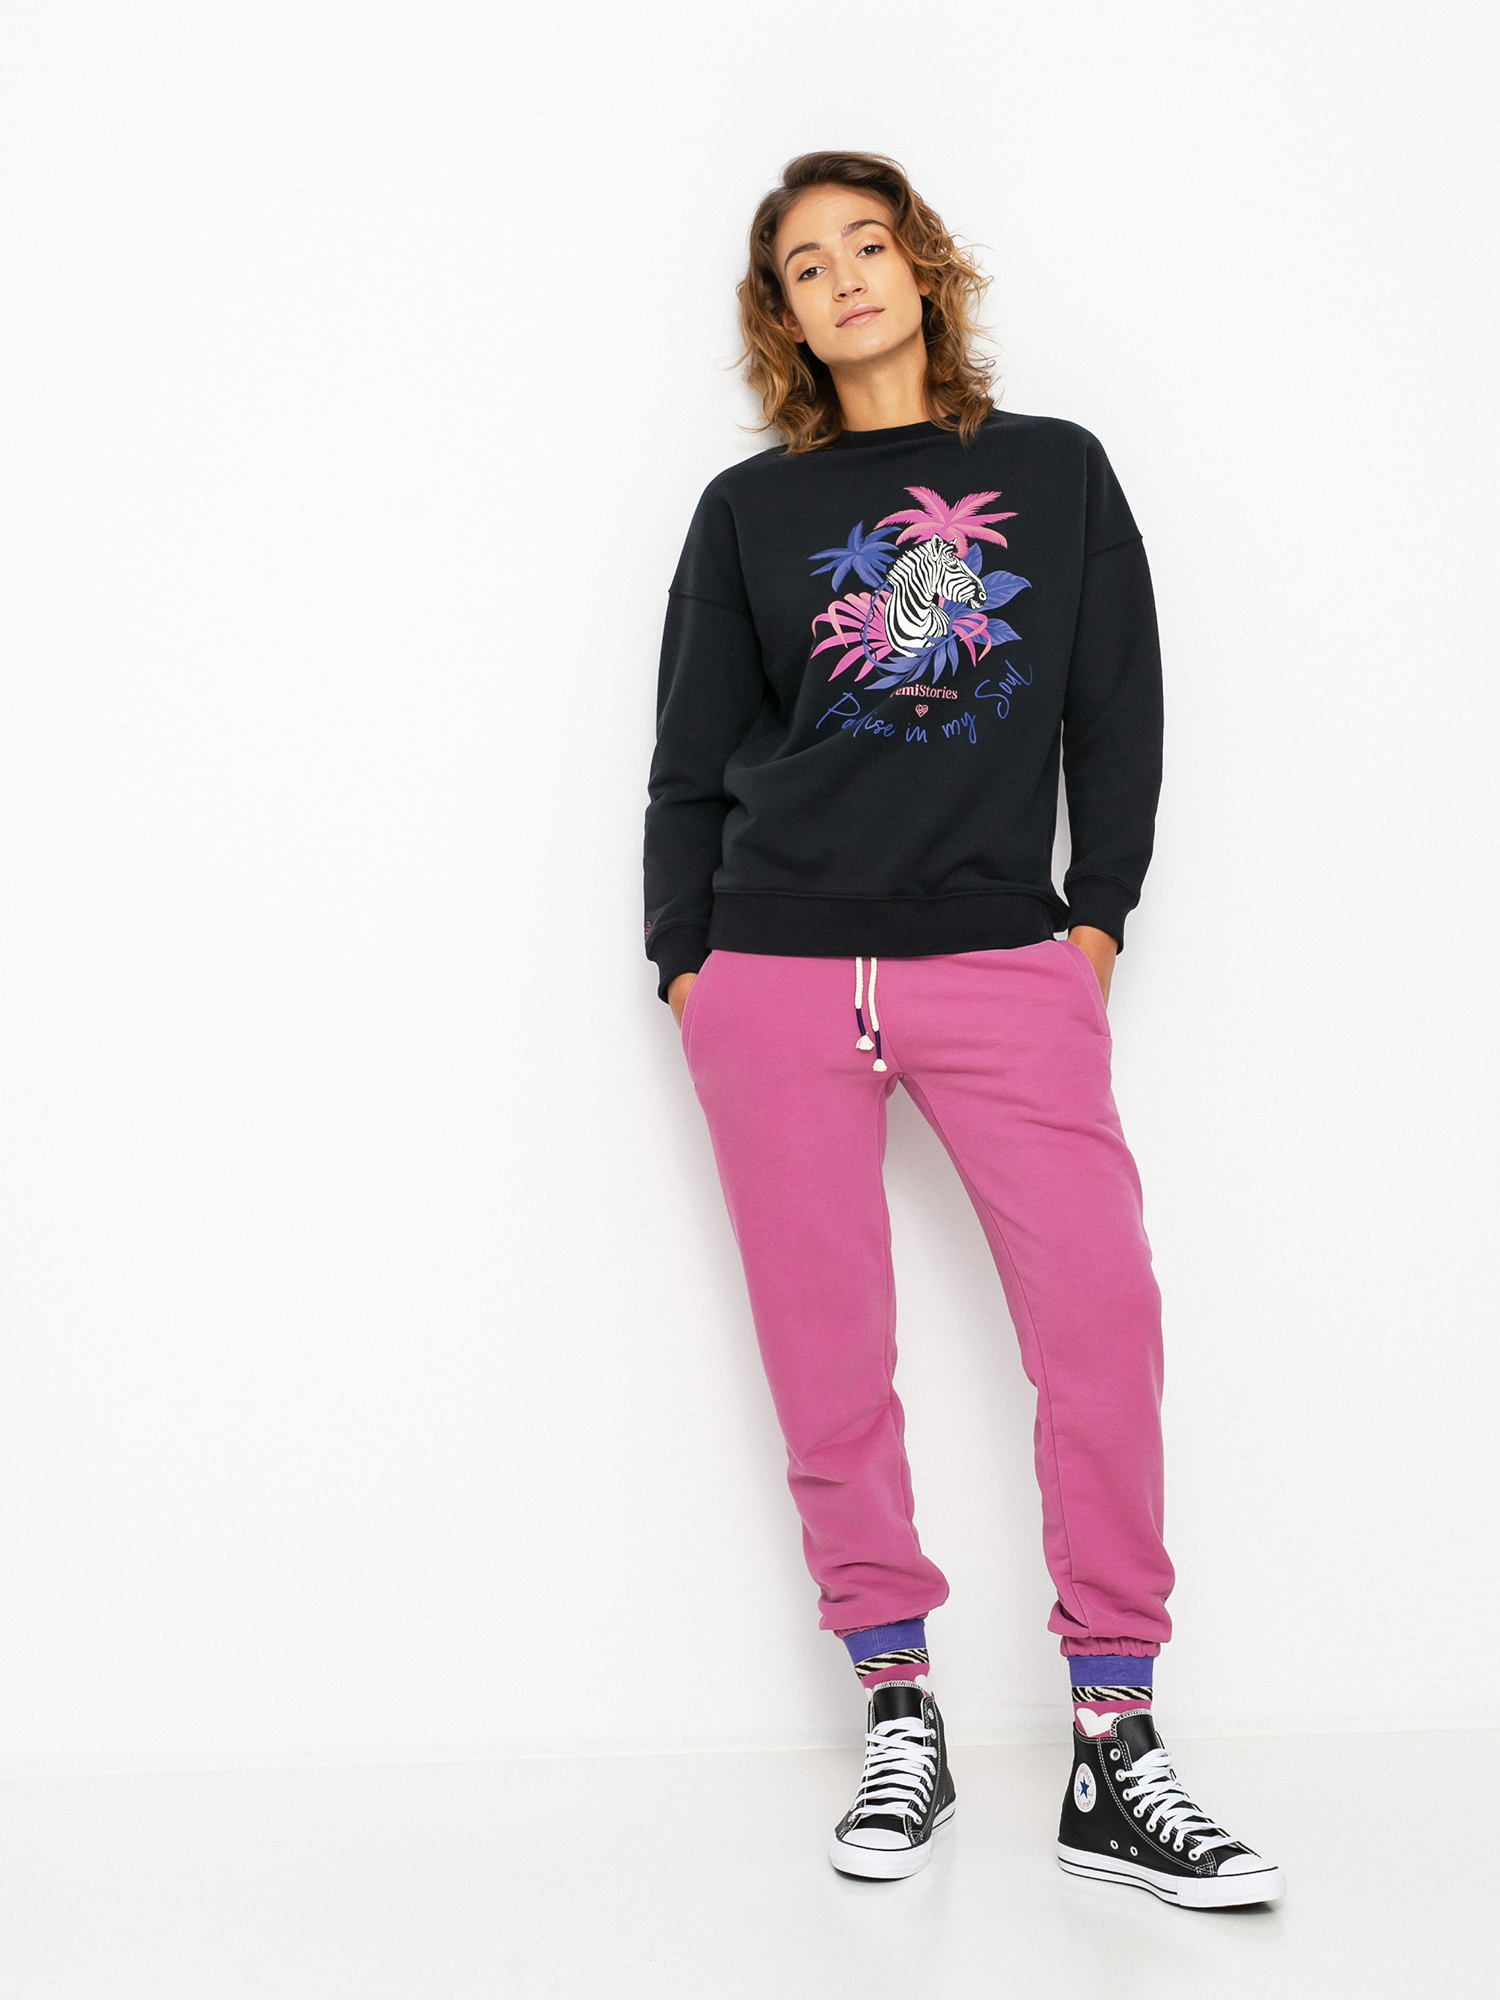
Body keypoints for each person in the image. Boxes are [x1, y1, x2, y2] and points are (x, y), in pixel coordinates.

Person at [642, 150, 1283, 1907]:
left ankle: (1114, 1742)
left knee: (1102, 1321)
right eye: (806, 264)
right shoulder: (747, 512)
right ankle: (898, 1708)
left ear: (923, 269)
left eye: (870, 243)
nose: (845, 276)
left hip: (999, 959)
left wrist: (1096, 921)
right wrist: (686, 963)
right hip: (776, 970)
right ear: (784, 315)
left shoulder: (1054, 473)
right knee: (828, 1354)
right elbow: (689, 759)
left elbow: (1118, 708)